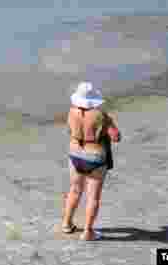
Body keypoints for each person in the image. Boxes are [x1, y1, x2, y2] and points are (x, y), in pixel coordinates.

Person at [60, 82, 121, 241]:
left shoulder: (71, 112)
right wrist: (109, 125)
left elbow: (70, 131)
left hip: (75, 154)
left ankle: (66, 224)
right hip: (95, 157)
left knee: (74, 190)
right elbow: (116, 137)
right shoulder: (102, 115)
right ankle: (88, 233)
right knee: (93, 197)